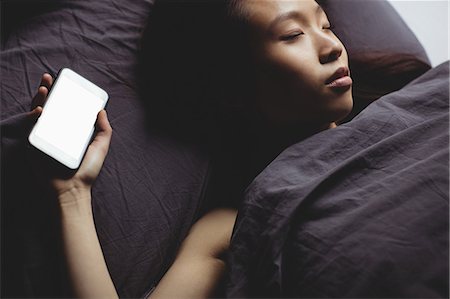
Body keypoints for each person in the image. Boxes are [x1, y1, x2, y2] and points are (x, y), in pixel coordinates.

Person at [27, 0, 353, 297]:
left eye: (325, 26)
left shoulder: (397, 114)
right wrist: (72, 195)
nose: (332, 46)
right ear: (234, 88)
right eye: (293, 34)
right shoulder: (239, 221)